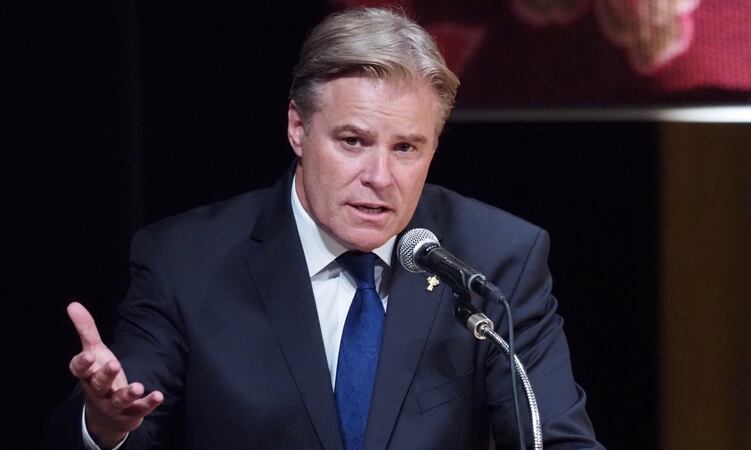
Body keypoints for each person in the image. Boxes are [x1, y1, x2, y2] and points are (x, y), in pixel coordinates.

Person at [46, 7, 604, 450]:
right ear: (297, 128)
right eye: (353, 142)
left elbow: (554, 439)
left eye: (406, 148)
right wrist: (106, 428)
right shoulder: (185, 261)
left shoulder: (494, 259)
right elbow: (128, 414)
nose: (380, 177)